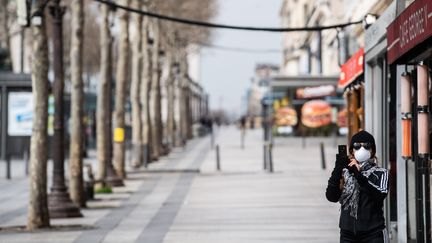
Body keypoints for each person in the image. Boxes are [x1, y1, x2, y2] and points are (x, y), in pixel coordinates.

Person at [326, 130, 389, 243]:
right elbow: (331, 196)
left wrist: (359, 175)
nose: (362, 149)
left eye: (367, 146)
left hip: (373, 233)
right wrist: (337, 169)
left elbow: (379, 196)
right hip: (347, 234)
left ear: (372, 150)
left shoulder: (381, 173)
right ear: (352, 150)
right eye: (357, 146)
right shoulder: (345, 172)